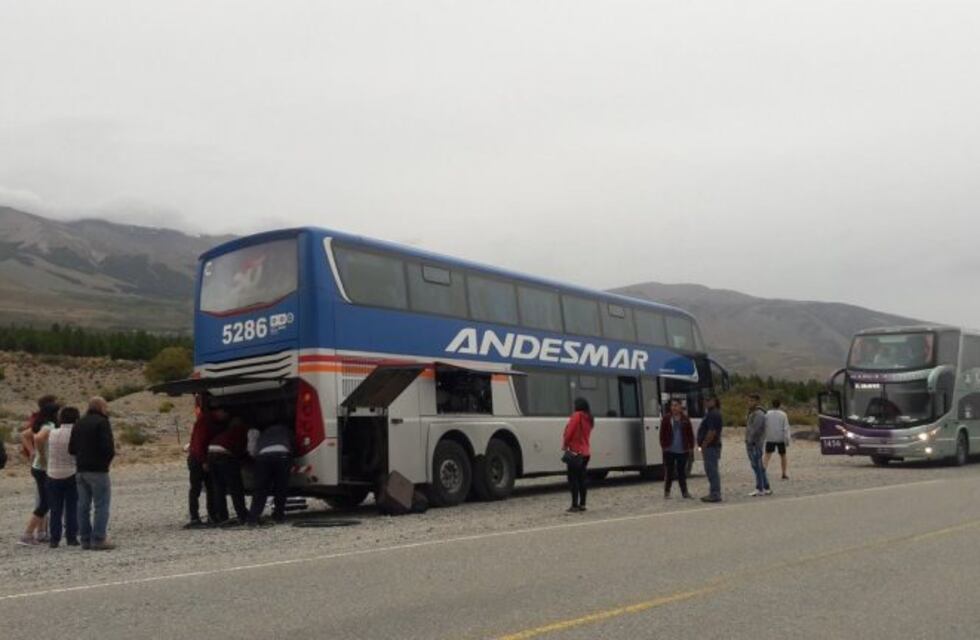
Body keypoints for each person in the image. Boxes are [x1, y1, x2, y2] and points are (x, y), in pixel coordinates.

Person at [69, 397, 116, 551]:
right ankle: (99, 538)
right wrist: (105, 462)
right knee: (101, 505)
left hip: (81, 470)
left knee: (82, 506)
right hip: (98, 470)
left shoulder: (79, 423)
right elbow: (108, 448)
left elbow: (71, 449)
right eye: (105, 406)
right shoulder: (102, 422)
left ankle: (85, 539)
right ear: (101, 407)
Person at [18, 401, 59, 546]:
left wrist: (32, 451)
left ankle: (37, 533)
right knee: (45, 503)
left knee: (44, 501)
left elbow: (24, 434)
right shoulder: (49, 426)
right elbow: (38, 438)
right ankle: (27, 534)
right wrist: (40, 455)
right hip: (43, 469)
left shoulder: (40, 424)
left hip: (37, 468)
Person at [42, 406, 80, 548]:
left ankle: (54, 539)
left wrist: (41, 457)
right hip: (71, 472)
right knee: (71, 508)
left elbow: (38, 439)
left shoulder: (52, 432)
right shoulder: (76, 433)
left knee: (55, 509)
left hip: (52, 473)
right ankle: (71, 538)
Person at [246, 419, 296, 526]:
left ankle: (253, 518)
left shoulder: (263, 432)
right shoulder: (286, 430)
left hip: (263, 457)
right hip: (282, 456)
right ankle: (278, 516)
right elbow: (293, 445)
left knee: (260, 489)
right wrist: (292, 461)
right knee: (280, 488)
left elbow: (254, 449)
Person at [207, 414, 250, 526]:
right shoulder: (240, 431)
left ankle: (222, 517)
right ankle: (242, 515)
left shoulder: (225, 432)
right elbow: (241, 449)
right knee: (235, 487)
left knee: (219, 488)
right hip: (224, 456)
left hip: (210, 454)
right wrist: (250, 462)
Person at [185, 404, 219, 529]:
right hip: (197, 460)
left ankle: (209, 515)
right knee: (197, 489)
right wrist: (204, 461)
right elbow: (199, 445)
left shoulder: (205, 421)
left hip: (197, 458)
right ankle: (196, 517)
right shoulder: (205, 423)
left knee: (206, 488)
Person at [562, 398, 594, 513]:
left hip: (575, 452)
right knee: (582, 479)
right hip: (585, 453)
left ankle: (574, 505)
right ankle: (583, 504)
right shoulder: (589, 418)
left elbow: (569, 432)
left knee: (573, 479)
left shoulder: (577, 416)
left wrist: (565, 445)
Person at [660, 400, 694, 499]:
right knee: (669, 472)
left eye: (676, 405)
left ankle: (684, 492)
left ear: (680, 407)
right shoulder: (666, 419)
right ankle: (667, 492)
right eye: (672, 405)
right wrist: (664, 446)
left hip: (682, 450)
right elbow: (662, 434)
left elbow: (690, 434)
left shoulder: (685, 419)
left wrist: (691, 447)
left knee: (681, 472)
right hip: (669, 450)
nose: (674, 408)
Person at [697, 397, 724, 503]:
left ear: (714, 401)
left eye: (708, 400)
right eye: (705, 400)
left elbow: (712, 431)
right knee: (711, 469)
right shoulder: (712, 413)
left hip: (711, 446)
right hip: (712, 446)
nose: (705, 402)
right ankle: (714, 492)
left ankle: (715, 493)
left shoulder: (713, 414)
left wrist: (704, 444)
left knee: (711, 469)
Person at [745, 394, 771, 497]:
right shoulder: (752, 413)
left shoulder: (759, 414)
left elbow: (755, 430)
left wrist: (750, 440)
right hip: (753, 443)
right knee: (757, 466)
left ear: (756, 401)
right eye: (749, 400)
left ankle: (760, 488)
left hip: (755, 444)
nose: (749, 403)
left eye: (751, 401)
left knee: (757, 466)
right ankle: (766, 486)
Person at [763, 398, 791, 480]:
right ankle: (784, 473)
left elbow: (764, 425)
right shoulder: (783, 414)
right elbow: (786, 427)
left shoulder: (767, 414)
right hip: (780, 438)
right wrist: (787, 440)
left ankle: (763, 471)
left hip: (770, 437)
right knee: (783, 456)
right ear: (780, 405)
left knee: (767, 455)